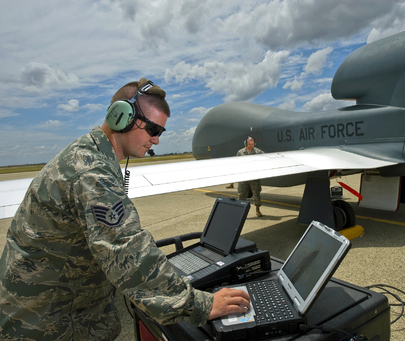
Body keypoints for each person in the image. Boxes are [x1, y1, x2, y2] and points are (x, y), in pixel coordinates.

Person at [0, 78, 250, 341]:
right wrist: (202, 305)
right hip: (46, 323)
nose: (155, 140)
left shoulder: (91, 154)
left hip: (55, 310)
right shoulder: (91, 171)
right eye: (152, 129)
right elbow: (125, 250)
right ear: (122, 118)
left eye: (160, 132)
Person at [236, 137, 265, 217]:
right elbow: (236, 163)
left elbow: (265, 158)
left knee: (257, 194)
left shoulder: (258, 152)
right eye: (249, 144)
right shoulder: (240, 152)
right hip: (243, 177)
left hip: (254, 178)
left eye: (253, 144)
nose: (251, 146)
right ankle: (240, 211)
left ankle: (257, 210)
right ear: (246, 143)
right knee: (241, 194)